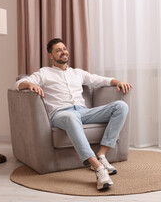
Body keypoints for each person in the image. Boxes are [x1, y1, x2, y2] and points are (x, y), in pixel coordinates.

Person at [15, 38, 133, 191]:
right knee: (71, 117)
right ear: (51, 55)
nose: (63, 52)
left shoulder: (78, 73)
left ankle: (102, 156)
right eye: (58, 50)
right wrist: (30, 84)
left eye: (64, 48)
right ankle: (98, 168)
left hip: (83, 112)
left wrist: (118, 82)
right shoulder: (45, 73)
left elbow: (100, 80)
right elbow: (18, 84)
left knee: (121, 106)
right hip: (61, 114)